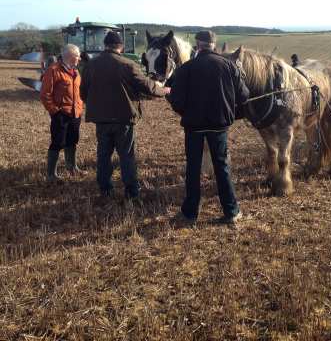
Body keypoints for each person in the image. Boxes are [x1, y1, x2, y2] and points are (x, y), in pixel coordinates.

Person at [168, 30, 250, 225]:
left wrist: (185, 112)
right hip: (219, 126)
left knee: (193, 169)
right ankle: (231, 211)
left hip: (193, 127)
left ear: (198, 45)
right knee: (222, 168)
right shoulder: (229, 66)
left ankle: (190, 213)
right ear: (214, 44)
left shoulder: (186, 68)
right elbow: (244, 96)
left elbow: (176, 100)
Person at [80, 31, 170, 206]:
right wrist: (163, 90)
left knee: (103, 155)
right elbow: (147, 87)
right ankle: (132, 192)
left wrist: (97, 105)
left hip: (101, 119)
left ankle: (105, 190)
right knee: (127, 156)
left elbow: (83, 92)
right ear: (120, 46)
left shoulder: (91, 65)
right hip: (124, 119)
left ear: (105, 45)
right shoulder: (128, 64)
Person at [40, 44, 84, 181]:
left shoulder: (75, 71)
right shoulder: (53, 70)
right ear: (70, 57)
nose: (80, 59)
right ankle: (51, 175)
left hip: (75, 113)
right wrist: (55, 111)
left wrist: (80, 107)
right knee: (58, 142)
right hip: (61, 114)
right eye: (77, 56)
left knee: (72, 140)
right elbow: (45, 94)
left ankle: (72, 167)